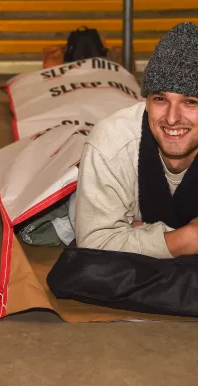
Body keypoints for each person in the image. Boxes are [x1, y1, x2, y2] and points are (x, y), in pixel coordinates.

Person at [75, 22, 198, 259]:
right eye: (160, 99)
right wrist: (186, 239)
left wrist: (136, 236)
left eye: (191, 102)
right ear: (146, 102)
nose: (172, 119)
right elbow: (94, 243)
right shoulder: (111, 141)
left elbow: (110, 242)